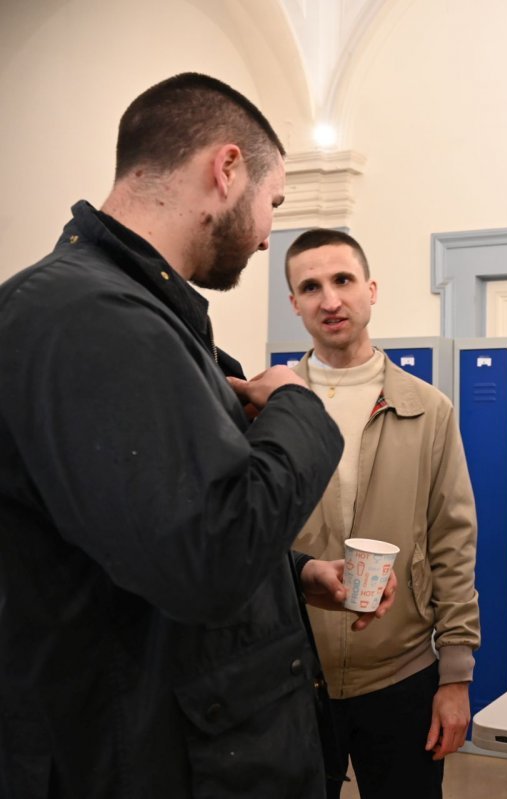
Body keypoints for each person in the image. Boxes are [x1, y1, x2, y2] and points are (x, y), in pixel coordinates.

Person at [0, 73, 395, 798]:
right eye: (273, 203)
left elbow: (142, 536)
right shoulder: (92, 318)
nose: (270, 231)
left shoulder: (142, 317)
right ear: (226, 169)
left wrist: (297, 572)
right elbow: (207, 558)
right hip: (142, 758)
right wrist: (299, 409)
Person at [285, 229, 481, 799]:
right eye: (311, 287)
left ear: (370, 289)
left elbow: (453, 541)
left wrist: (456, 677)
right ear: (294, 304)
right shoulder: (266, 406)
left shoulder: (427, 408)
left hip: (402, 674)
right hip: (292, 676)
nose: (330, 300)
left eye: (343, 280)